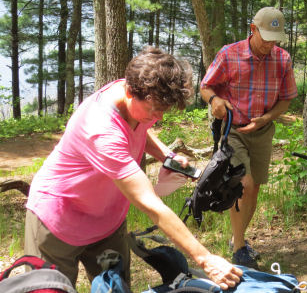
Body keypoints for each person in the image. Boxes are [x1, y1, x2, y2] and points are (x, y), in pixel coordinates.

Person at [24, 46, 242, 290]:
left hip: (106, 223)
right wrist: (205, 259)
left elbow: (138, 127)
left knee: (116, 288)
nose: (157, 117)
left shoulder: (134, 92)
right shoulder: (101, 128)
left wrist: (166, 156)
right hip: (58, 224)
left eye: (163, 110)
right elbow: (150, 204)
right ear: (130, 92)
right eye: (153, 110)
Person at [200, 7, 298, 269]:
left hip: (262, 131)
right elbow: (205, 86)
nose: (270, 44)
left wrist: (266, 119)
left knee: (254, 189)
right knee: (244, 183)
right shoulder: (229, 54)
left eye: (274, 39)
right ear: (252, 30)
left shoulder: (283, 60)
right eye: (265, 37)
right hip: (232, 129)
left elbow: (287, 99)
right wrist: (215, 100)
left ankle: (237, 238)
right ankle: (240, 249)